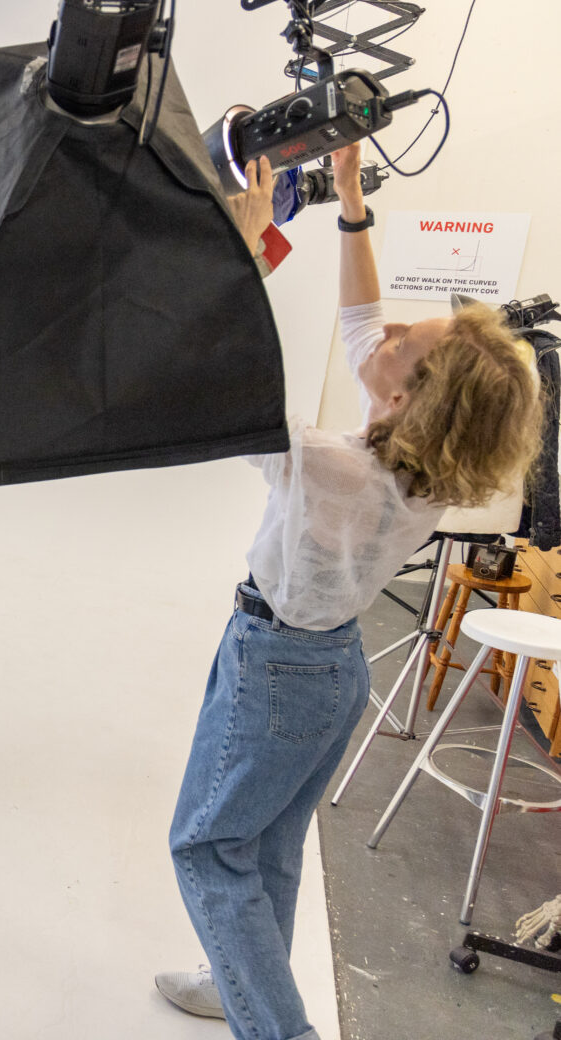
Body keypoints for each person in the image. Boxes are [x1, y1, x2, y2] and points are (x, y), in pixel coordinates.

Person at [155, 146, 543, 1040]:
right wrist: (350, 201)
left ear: (408, 399)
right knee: (270, 847)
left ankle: (277, 1026)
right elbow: (364, 320)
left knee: (206, 849)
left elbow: (218, 392)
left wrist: (246, 252)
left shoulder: (332, 469)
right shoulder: (421, 467)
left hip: (275, 667)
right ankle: (239, 983)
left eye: (406, 342)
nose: (388, 329)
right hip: (333, 671)